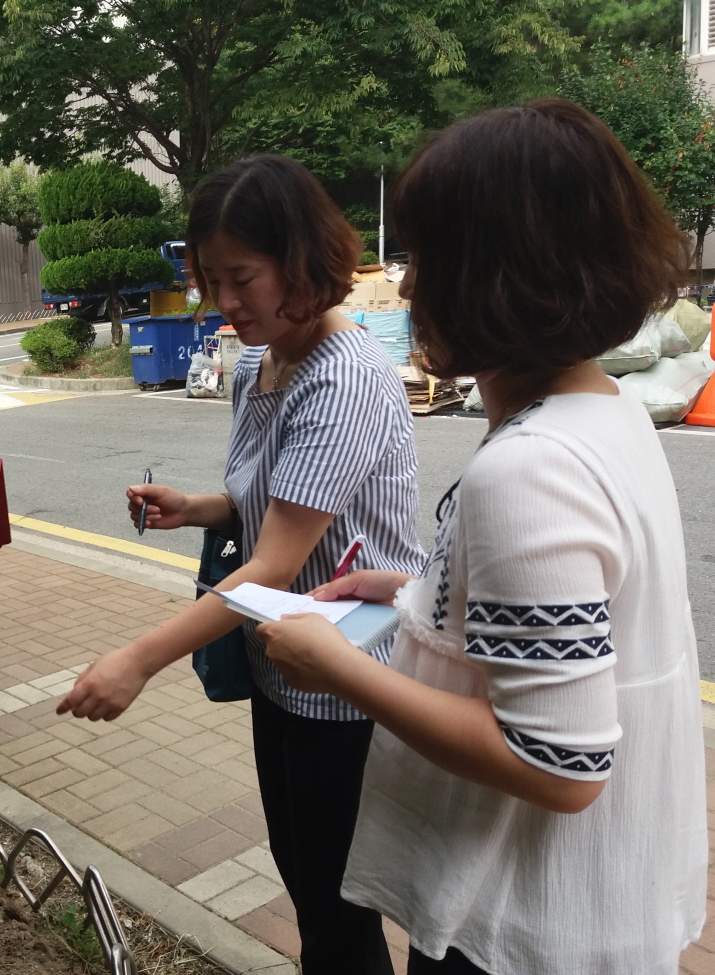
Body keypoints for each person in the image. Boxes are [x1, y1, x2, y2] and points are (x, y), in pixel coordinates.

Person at [260, 98, 706, 975]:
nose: (412, 286)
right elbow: (580, 627)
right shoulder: (603, 411)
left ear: (507, 272)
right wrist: (411, 587)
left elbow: (558, 763)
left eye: (431, 257)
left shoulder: (529, 467)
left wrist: (338, 666)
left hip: (521, 929)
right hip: (604, 908)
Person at [57, 154, 427, 975]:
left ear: (302, 262)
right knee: (305, 883)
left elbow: (269, 563)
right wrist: (196, 505)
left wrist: (138, 659)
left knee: (338, 911)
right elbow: (265, 501)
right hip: (282, 665)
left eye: (244, 277)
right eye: (209, 277)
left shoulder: (347, 378)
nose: (224, 301)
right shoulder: (261, 362)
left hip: (348, 679)